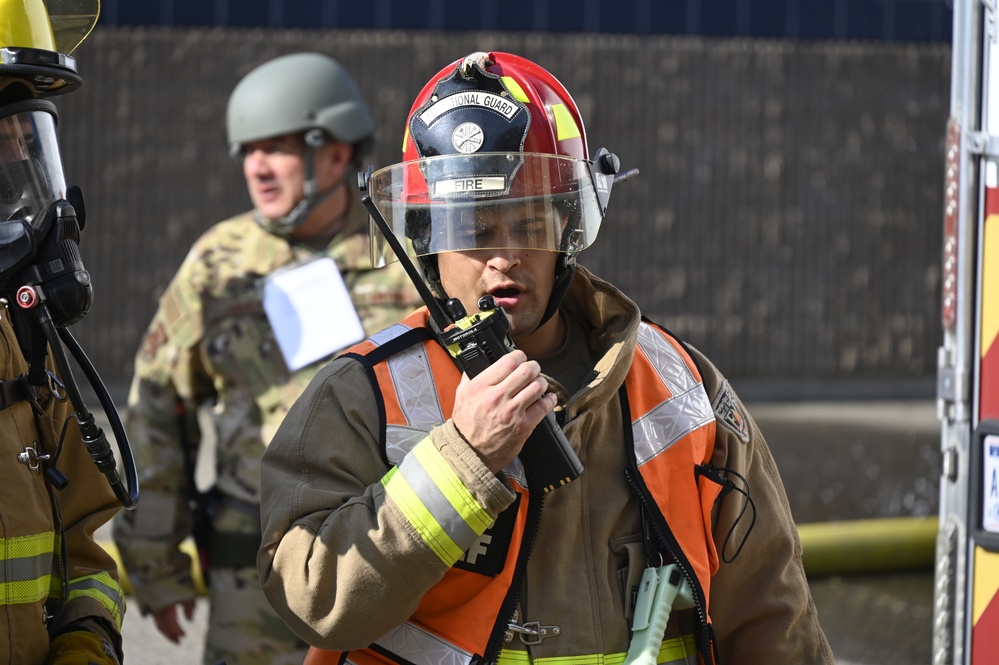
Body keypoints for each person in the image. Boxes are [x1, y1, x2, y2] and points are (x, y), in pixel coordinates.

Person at [258, 51, 836, 665]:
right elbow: (311, 600)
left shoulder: (679, 382)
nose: (502, 257)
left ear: (569, 230)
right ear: (426, 241)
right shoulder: (361, 395)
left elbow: (772, 610)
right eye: (473, 226)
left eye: (529, 221)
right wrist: (461, 463)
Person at [111, 52, 421, 665]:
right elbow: (154, 414)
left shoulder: (406, 259)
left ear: (335, 153)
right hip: (250, 584)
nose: (257, 168)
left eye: (276, 148)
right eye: (248, 151)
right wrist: (154, 563)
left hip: (385, 562)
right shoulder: (219, 262)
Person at [0, 1, 127, 663]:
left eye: (28, 140)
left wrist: (88, 637)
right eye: (2, 140)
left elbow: (86, 552)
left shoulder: (23, 338)